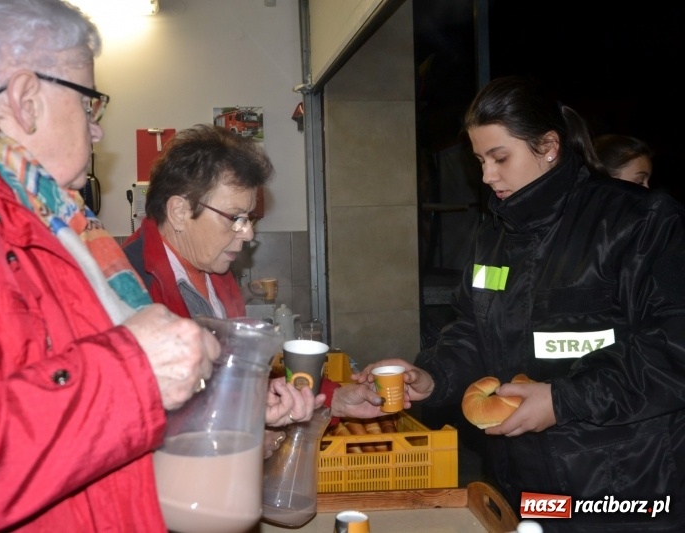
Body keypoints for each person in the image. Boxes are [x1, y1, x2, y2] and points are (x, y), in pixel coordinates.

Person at [0, 1, 221, 531]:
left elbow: (77, 412)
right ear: (26, 99)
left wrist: (215, 404)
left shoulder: (52, 221)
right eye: (91, 105)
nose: (96, 131)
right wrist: (134, 370)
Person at [357, 76, 685, 532]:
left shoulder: (639, 220)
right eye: (480, 161)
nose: (488, 176)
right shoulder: (494, 234)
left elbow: (672, 350)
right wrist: (434, 377)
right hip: (525, 482)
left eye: (500, 157)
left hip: (623, 486)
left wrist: (561, 400)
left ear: (549, 146)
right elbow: (471, 328)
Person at [122, 124, 390, 455]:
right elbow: (131, 416)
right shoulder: (128, 285)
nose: (247, 234)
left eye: (249, 219)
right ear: (179, 211)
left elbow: (231, 378)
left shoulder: (217, 273)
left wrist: (334, 399)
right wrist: (236, 434)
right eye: (234, 218)